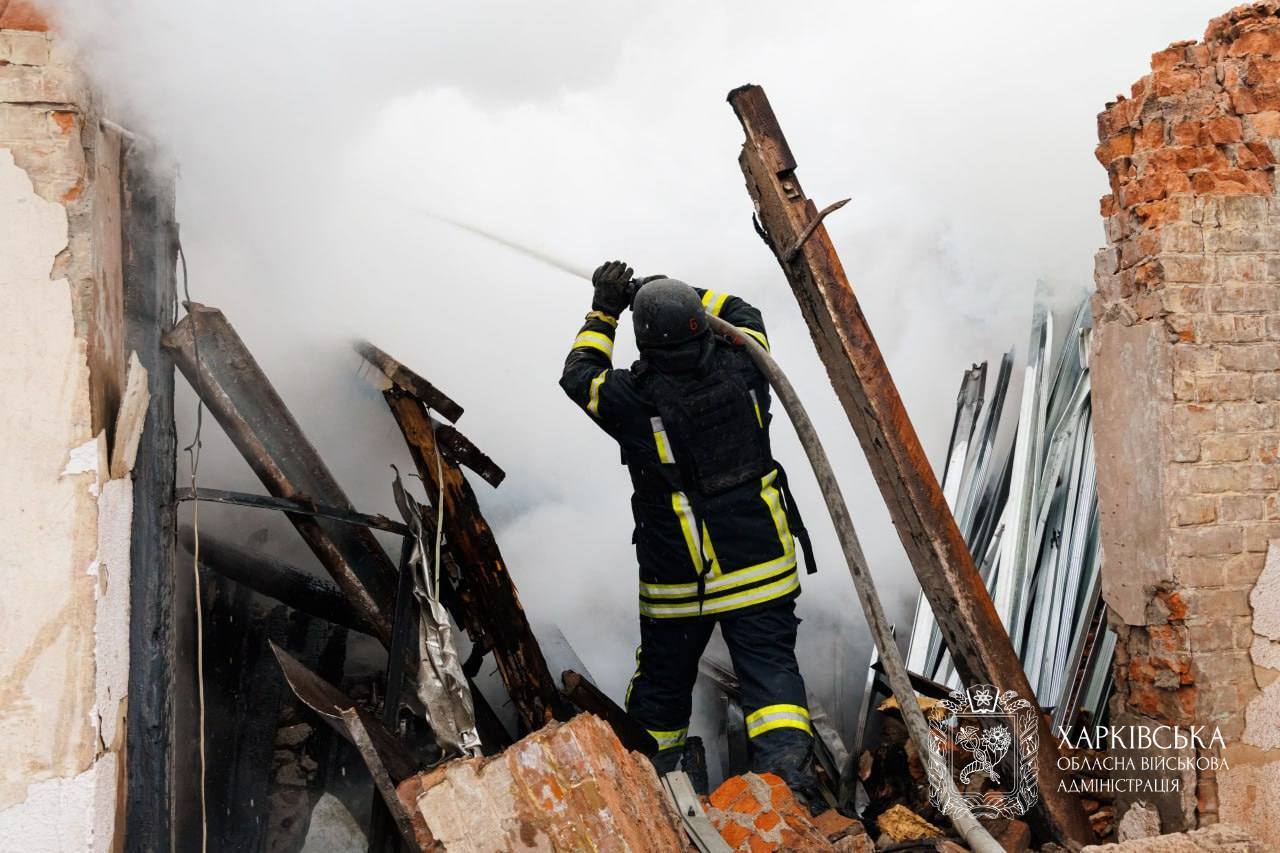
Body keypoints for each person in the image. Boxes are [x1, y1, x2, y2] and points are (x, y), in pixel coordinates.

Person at [559, 259, 820, 803]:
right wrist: (667, 290)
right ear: (702, 326)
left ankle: (657, 800)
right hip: (762, 569)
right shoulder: (748, 364)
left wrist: (605, 308)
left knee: (661, 692)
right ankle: (791, 800)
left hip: (681, 583)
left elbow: (579, 372)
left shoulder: (630, 398)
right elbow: (743, 309)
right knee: (773, 686)